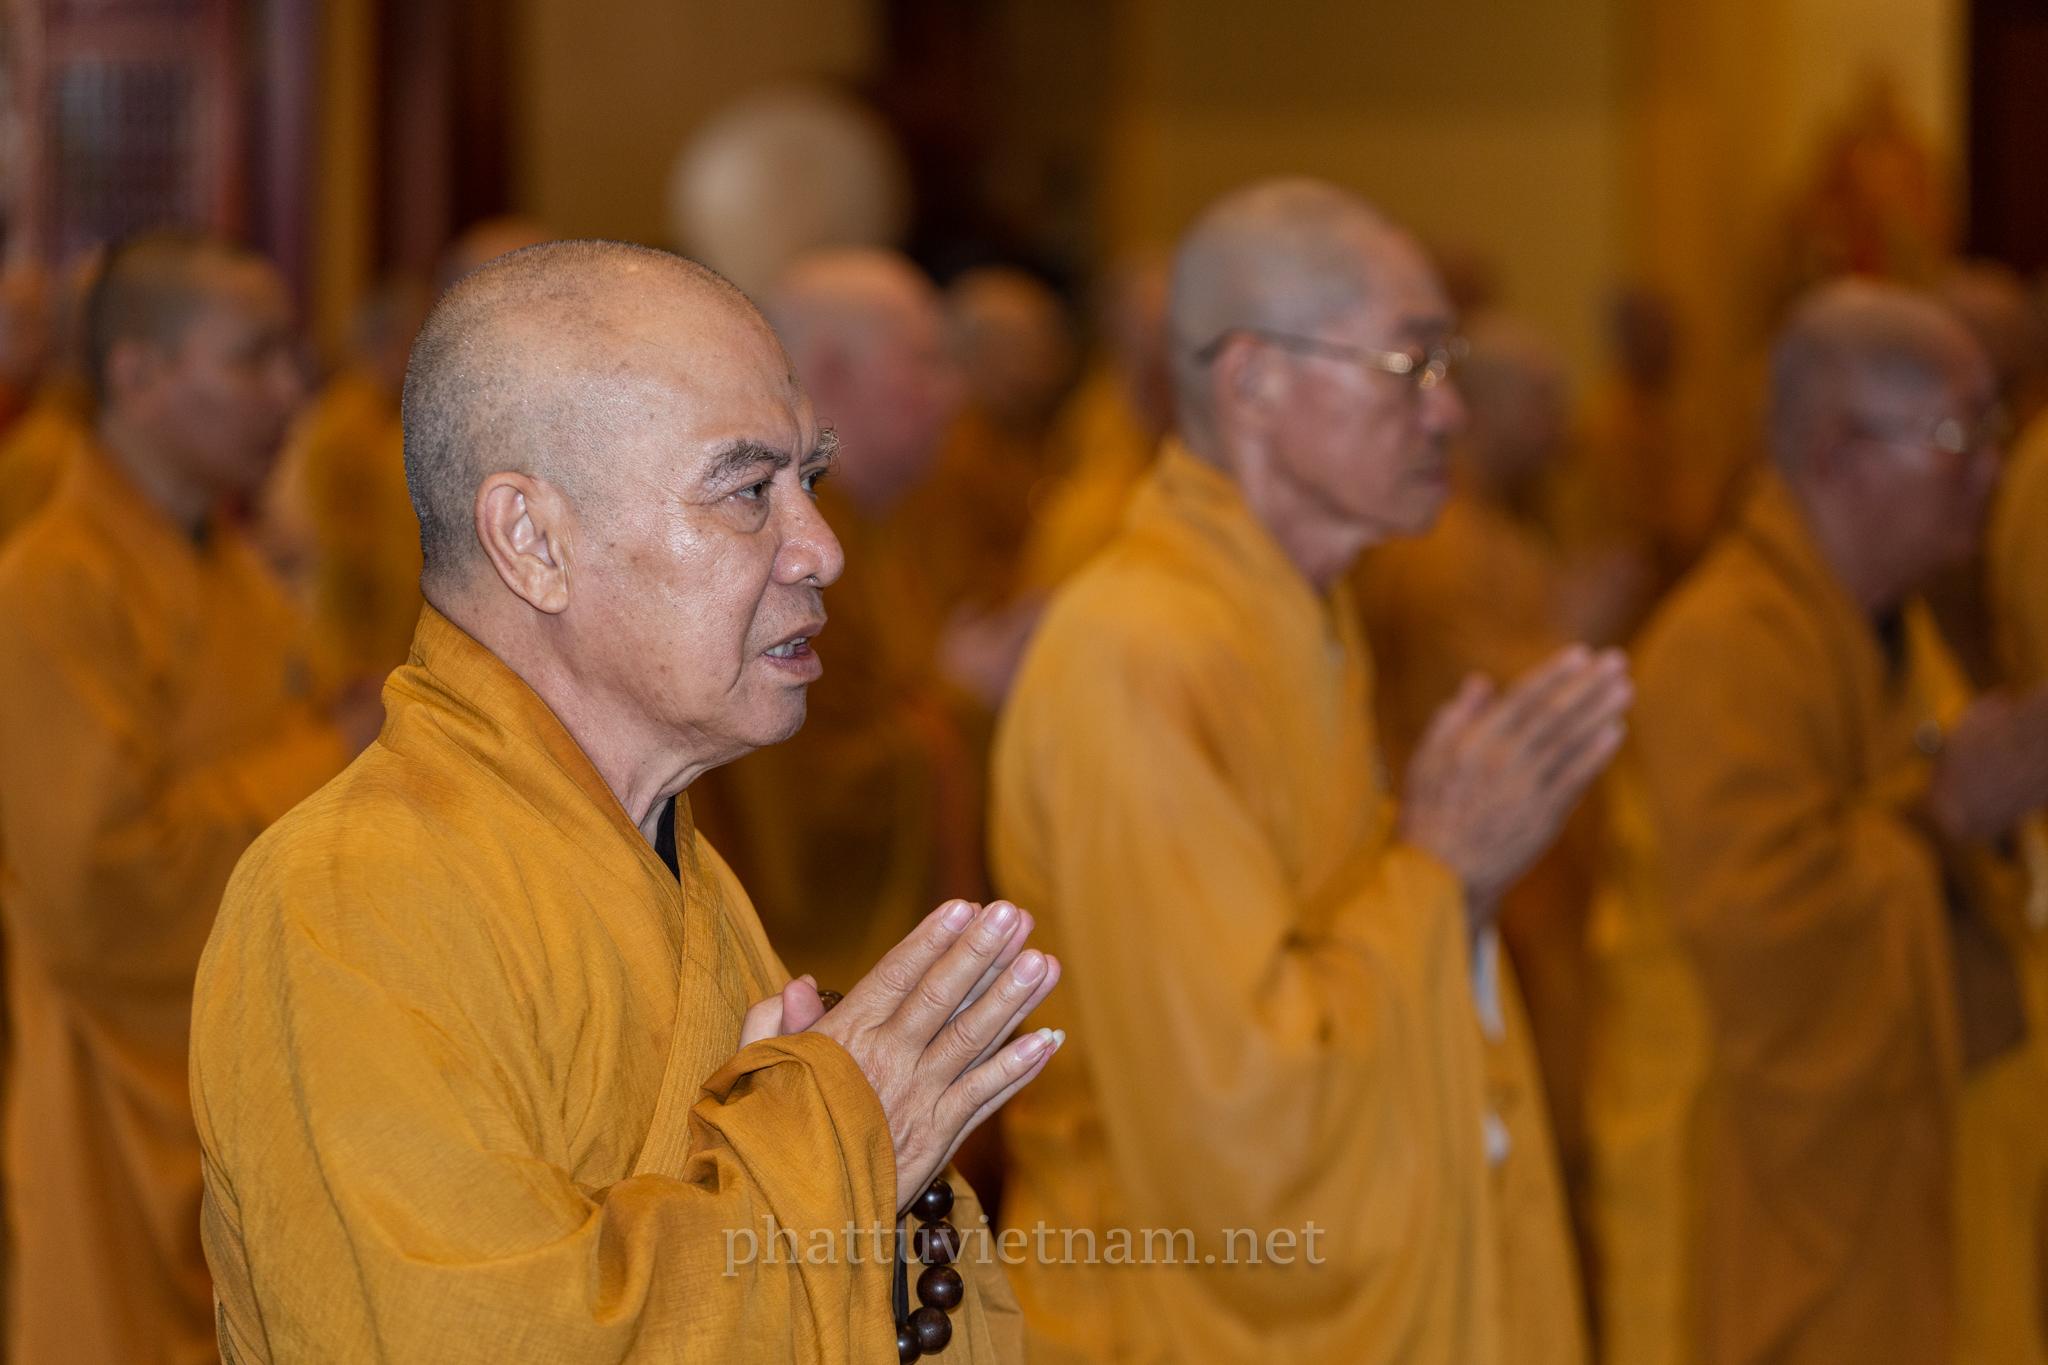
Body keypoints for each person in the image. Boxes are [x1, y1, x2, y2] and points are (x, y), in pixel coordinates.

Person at [192, 239, 1057, 1361]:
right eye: (746, 490)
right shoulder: (350, 901)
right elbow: (472, 1336)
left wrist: (852, 1161)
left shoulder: (666, 861)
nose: (821, 550)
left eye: (810, 482)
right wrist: (833, 1143)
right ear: (532, 542)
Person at [990, 178, 1630, 1363]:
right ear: (1252, 382)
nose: (1447, 412)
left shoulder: (1299, 618)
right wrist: (1439, 875)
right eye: (1408, 364)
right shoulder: (1141, 652)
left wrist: (1450, 892)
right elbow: (1237, 1117)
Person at [1608, 279, 2048, 1365]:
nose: (1991, 472)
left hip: (1901, 1184)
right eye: (1959, 439)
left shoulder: (1892, 633)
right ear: (1839, 453)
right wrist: (1945, 812)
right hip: (1756, 1192)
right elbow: (1768, 936)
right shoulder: (1722, 648)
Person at [0, 230, 371, 1364]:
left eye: (292, 358)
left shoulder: (228, 561)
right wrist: (329, 753)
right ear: (140, 374)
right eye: (254, 358)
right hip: (121, 1085)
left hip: (247, 1065)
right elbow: (105, 887)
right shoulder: (53, 583)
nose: (290, 392)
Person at [691, 247, 983, 1001]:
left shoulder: (897, 524)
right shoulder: (767, 544)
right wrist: (953, 711)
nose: (953, 393)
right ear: (830, 371)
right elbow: (802, 800)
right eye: (923, 362)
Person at [259, 278, 429, 674]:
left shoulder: (390, 416)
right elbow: (335, 538)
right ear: (392, 344)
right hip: (350, 629)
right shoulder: (344, 423)